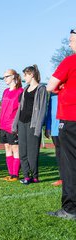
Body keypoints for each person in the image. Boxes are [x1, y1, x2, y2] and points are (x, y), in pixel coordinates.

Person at [46, 29, 76, 220]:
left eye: (72, 40)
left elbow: (50, 86)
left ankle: (70, 209)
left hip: (71, 118)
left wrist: (62, 87)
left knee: (70, 164)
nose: (70, 43)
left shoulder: (70, 61)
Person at [12, 65, 47, 185]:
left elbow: (42, 109)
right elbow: (20, 109)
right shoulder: (25, 89)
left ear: (31, 74)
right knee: (23, 152)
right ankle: (26, 176)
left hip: (33, 125)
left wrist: (38, 127)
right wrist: (15, 124)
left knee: (32, 153)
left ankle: (35, 176)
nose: (24, 77)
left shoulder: (41, 89)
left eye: (25, 75)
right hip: (22, 123)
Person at [0, 69, 23, 182]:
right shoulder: (5, 91)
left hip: (12, 125)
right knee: (7, 148)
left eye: (7, 76)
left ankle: (15, 174)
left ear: (13, 77)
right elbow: (2, 107)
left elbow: (20, 110)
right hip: (3, 124)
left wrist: (16, 125)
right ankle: (10, 174)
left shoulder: (20, 91)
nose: (5, 79)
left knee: (15, 149)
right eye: (4, 77)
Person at [45, 93, 62, 186]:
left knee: (69, 155)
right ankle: (62, 178)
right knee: (59, 155)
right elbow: (49, 110)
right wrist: (48, 127)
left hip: (67, 127)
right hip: (55, 130)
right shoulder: (52, 93)